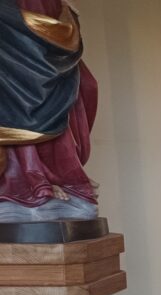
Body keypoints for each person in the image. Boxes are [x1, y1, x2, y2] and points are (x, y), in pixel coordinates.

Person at [0, 0, 99, 223]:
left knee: (80, 85)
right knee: (17, 86)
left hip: (40, 12)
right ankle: (25, 181)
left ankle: (55, 174)